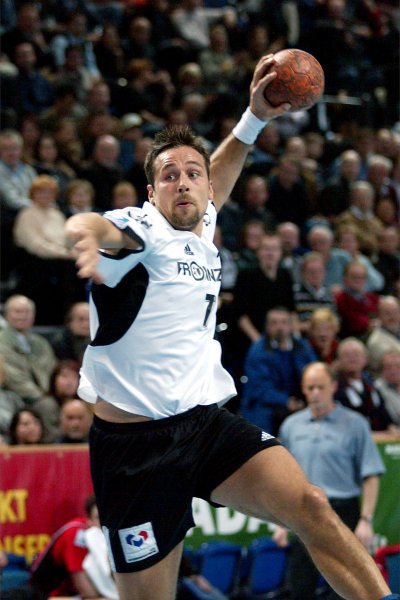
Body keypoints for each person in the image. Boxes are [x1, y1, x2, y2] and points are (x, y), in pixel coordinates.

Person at [65, 54, 394, 600]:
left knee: (311, 505)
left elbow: (219, 172)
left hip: (203, 426)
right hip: (133, 450)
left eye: (192, 174)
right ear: (151, 194)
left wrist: (255, 117)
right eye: (168, 176)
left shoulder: (201, 222)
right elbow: (101, 226)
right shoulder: (141, 229)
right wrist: (82, 231)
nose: (184, 183)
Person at [273, 362, 386, 600]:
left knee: (348, 585)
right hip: (303, 512)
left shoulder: (355, 424)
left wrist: (366, 519)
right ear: (303, 389)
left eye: (321, 387)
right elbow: (283, 478)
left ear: (333, 386)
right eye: (310, 388)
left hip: (343, 511)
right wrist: (281, 522)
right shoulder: (291, 426)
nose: (315, 393)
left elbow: (371, 475)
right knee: (300, 584)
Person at [241, 306, 316, 435]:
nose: (279, 327)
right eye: (274, 323)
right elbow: (260, 388)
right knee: (260, 415)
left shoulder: (302, 347)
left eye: (283, 322)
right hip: (268, 405)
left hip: (299, 401)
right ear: (267, 327)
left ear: (291, 326)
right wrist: (286, 401)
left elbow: (314, 372)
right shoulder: (258, 351)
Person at [31, 494, 118, 599]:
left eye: (108, 517)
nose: (104, 523)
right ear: (88, 520)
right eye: (99, 518)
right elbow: (88, 592)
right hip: (49, 594)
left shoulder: (110, 535)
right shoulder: (76, 536)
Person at [0, 294, 57, 405]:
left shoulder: (41, 342)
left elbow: (53, 369)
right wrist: (41, 397)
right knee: (48, 406)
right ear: (6, 315)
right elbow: (13, 378)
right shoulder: (1, 342)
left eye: (27, 312)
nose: (23, 316)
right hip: (17, 397)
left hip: (47, 394)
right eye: (18, 312)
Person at [334, 337, 395, 432]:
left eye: (356, 354)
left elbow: (384, 415)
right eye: (347, 355)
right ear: (339, 361)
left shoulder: (372, 386)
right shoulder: (334, 389)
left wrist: (391, 428)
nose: (352, 358)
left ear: (365, 359)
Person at [334, 260, 379, 339]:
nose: (357, 280)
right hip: (352, 338)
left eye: (361, 277)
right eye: (354, 277)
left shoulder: (372, 298)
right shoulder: (340, 299)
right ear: (345, 278)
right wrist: (371, 323)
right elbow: (354, 323)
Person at [367, 296, 400, 373]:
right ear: (379, 315)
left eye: (395, 312)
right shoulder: (376, 341)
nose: (392, 317)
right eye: (387, 313)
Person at [374, 350, 400, 427]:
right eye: (389, 367)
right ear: (381, 370)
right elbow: (393, 416)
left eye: (398, 366)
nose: (393, 371)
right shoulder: (377, 389)